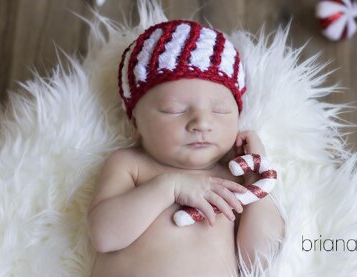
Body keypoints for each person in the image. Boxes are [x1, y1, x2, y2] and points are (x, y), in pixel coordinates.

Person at [87, 19, 285, 277]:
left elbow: (260, 257)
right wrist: (169, 187)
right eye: (175, 109)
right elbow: (103, 236)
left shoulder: (232, 180)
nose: (201, 122)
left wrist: (257, 180)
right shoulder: (130, 165)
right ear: (136, 122)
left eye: (219, 110)